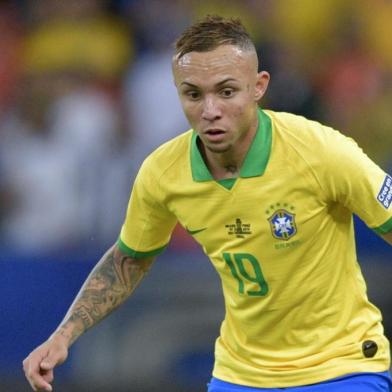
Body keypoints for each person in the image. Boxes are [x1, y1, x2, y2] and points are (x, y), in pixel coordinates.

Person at [23, 15, 392, 392]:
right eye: (194, 94)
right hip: (241, 376)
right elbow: (129, 259)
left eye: (227, 91)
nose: (210, 109)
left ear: (258, 87)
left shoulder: (322, 152)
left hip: (342, 368)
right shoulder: (163, 173)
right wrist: (63, 335)